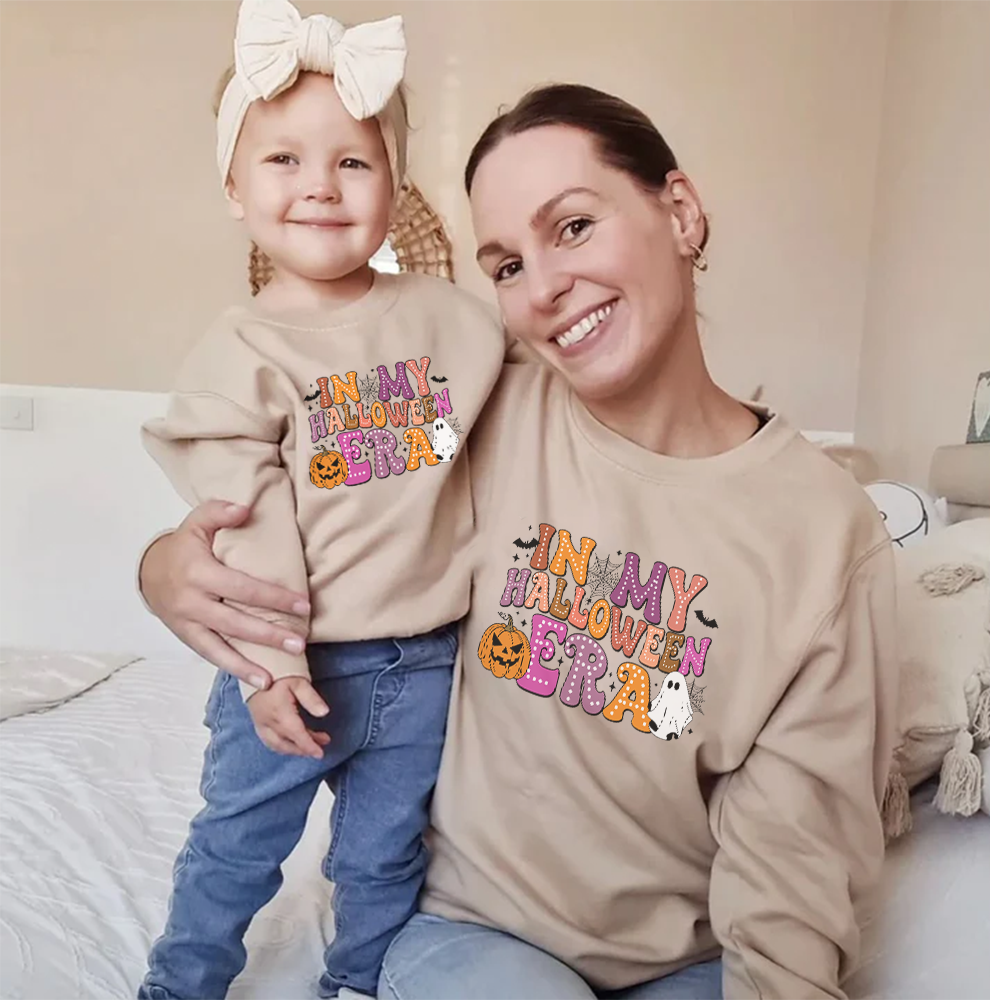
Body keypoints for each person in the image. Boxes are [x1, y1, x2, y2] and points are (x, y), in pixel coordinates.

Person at [139, 81, 898, 1000]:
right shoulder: (474, 413)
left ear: (682, 212)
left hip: (684, 959)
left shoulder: (823, 532)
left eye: (574, 227)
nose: (542, 288)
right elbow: (296, 471)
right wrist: (164, 566)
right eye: (503, 265)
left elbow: (797, 860)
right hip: (474, 928)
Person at [135, 2, 505, 998]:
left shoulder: (452, 323)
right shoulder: (241, 351)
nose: (319, 187)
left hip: (428, 657)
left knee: (385, 853)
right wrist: (268, 669)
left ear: (393, 184)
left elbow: (535, 402)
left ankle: (358, 979)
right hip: (293, 664)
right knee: (236, 846)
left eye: (353, 161)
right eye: (283, 161)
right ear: (233, 187)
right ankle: (184, 981)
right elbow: (245, 520)